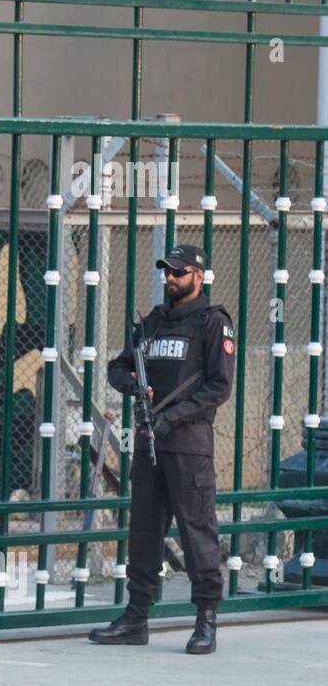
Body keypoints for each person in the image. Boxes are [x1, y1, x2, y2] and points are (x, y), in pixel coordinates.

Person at [92, 244, 235, 653]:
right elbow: (117, 366)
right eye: (167, 271)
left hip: (189, 448)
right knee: (143, 532)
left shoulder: (213, 323)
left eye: (178, 271)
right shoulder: (153, 324)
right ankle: (136, 618)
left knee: (197, 534)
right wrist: (134, 387)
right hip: (148, 444)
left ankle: (205, 620)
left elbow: (218, 388)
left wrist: (173, 416)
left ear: (198, 275)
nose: (170, 278)